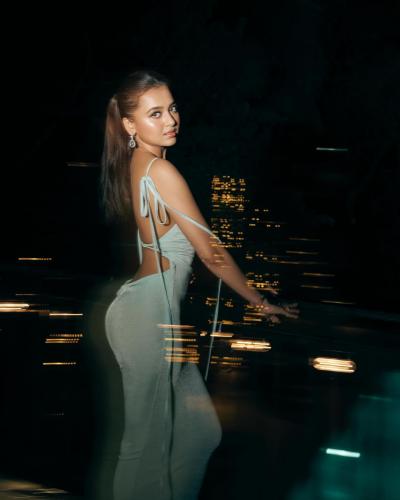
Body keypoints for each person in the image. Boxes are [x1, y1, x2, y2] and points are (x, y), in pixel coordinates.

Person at [100, 68, 300, 500]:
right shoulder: (159, 171)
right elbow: (210, 252)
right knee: (142, 446)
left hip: (154, 316)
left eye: (172, 108)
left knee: (199, 432)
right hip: (145, 316)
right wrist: (259, 301)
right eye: (155, 113)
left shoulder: (142, 165)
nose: (171, 119)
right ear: (130, 125)